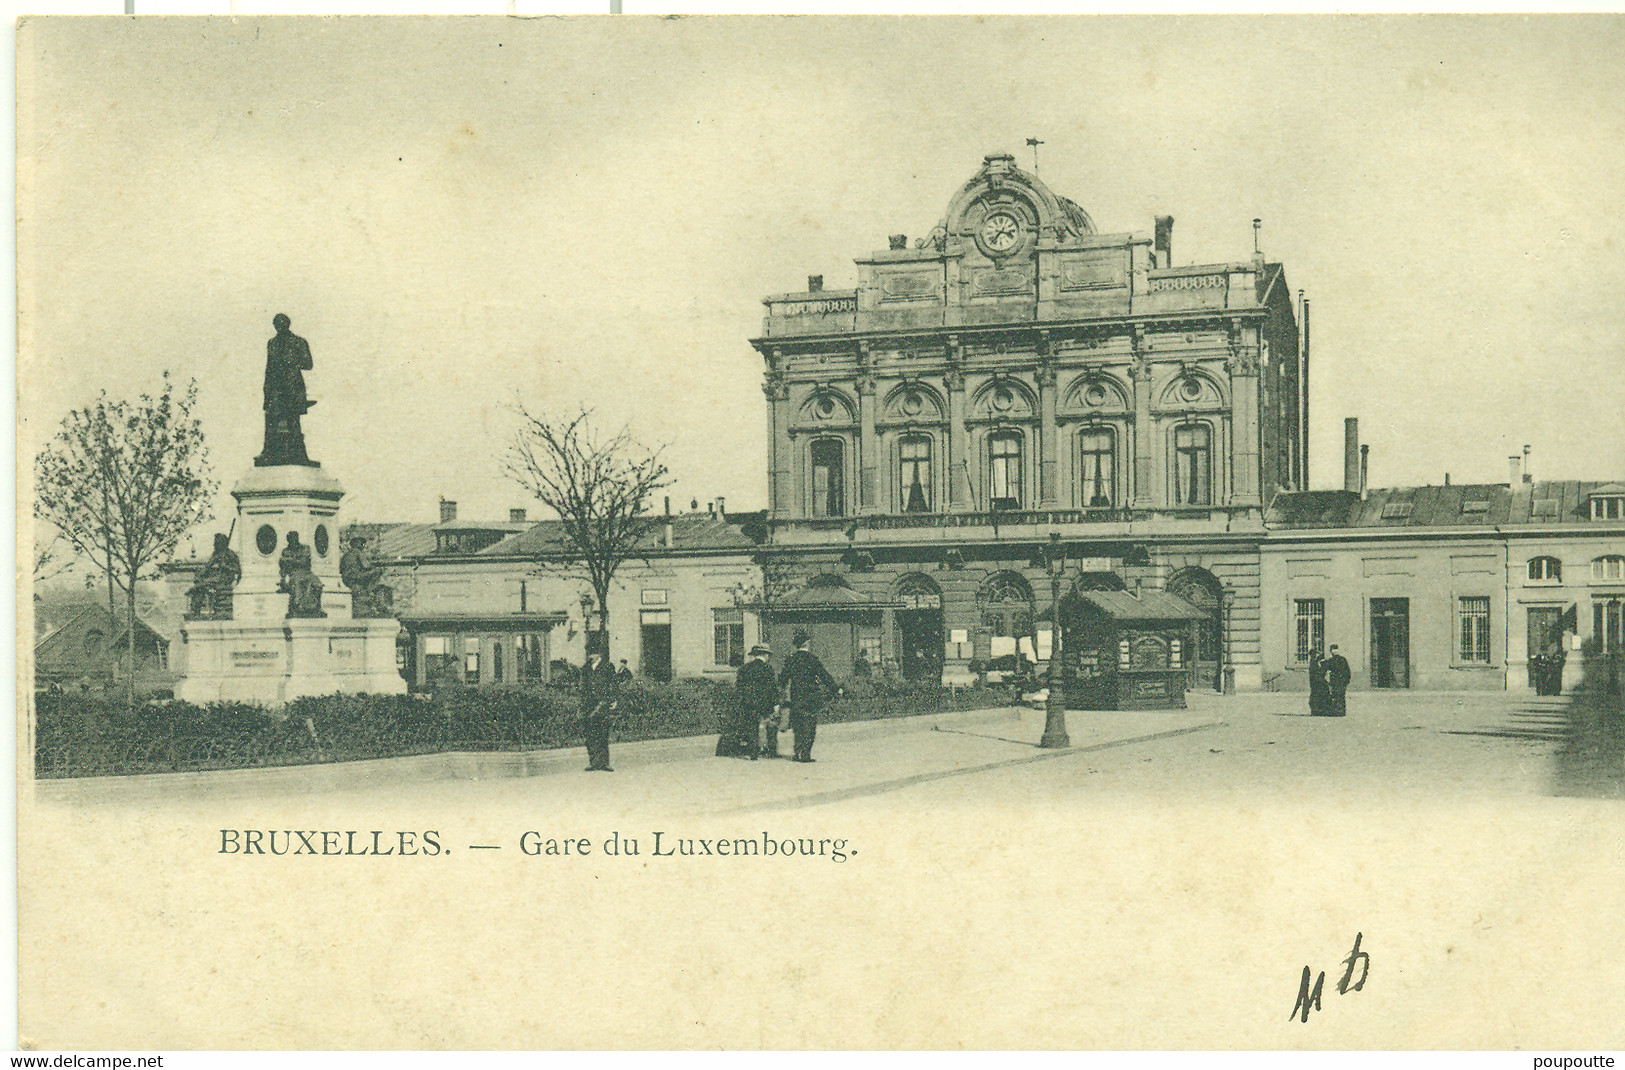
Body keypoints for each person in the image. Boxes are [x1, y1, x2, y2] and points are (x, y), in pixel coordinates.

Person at [257, 313, 317, 467]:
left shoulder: (298, 342)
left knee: (293, 421)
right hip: (276, 387)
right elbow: (269, 368)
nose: (279, 327)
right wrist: (266, 390)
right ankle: (269, 452)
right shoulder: (272, 343)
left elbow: (308, 364)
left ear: (288, 324)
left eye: (282, 324)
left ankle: (299, 454)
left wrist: (292, 362)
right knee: (271, 419)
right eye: (276, 324)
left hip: (292, 386)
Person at [778, 628, 841, 763]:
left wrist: (781, 691)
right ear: (807, 643)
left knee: (798, 725)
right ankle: (805, 754)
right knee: (810, 725)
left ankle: (797, 752)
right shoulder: (813, 659)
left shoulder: (791, 660)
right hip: (811, 697)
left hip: (797, 696)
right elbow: (825, 676)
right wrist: (836, 689)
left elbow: (782, 679)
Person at [722, 644, 776, 760]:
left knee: (751, 726)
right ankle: (770, 751)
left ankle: (753, 752)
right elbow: (772, 688)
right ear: (765, 655)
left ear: (754, 655)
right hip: (764, 702)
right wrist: (774, 703)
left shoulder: (744, 669)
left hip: (749, 702)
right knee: (769, 725)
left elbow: (739, 688)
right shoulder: (768, 669)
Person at [581, 641, 619, 772]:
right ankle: (593, 762)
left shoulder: (607, 667)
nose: (590, 656)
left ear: (599, 654)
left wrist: (614, 700)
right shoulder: (586, 668)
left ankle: (604, 763)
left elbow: (613, 684)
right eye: (588, 653)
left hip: (603, 704)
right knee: (590, 735)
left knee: (603, 733)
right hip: (589, 705)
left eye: (592, 653)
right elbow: (583, 687)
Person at [187, 533, 241, 619]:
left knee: (202, 585)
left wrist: (225, 566)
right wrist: (200, 574)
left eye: (216, 543)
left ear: (221, 543)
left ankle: (196, 610)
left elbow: (237, 570)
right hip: (218, 579)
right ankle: (195, 611)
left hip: (226, 579)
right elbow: (208, 566)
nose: (214, 545)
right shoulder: (216, 554)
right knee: (199, 586)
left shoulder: (230, 554)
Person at [339, 535, 391, 618]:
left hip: (348, 582)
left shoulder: (346, 556)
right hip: (357, 584)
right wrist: (377, 569)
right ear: (360, 545)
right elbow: (367, 566)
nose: (364, 546)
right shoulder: (358, 553)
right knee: (380, 587)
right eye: (363, 544)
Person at [277, 531, 324, 618]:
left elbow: (304, 561)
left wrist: (291, 559)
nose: (293, 540)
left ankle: (316, 607)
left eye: (295, 538)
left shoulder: (305, 548)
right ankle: (299, 607)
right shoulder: (286, 551)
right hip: (294, 573)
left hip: (307, 572)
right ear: (288, 540)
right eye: (291, 539)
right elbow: (283, 564)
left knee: (318, 584)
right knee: (297, 584)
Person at [1324, 644, 1351, 717]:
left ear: (1331, 651)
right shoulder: (1343, 659)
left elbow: (1325, 667)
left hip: (1335, 681)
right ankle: (1342, 711)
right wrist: (1346, 681)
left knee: (1335, 696)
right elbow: (1348, 672)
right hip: (1342, 681)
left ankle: (1336, 711)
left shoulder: (1331, 660)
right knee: (1341, 696)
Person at [1307, 644, 1329, 716]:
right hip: (1317, 681)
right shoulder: (1313, 662)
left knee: (1316, 695)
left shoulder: (1313, 661)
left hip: (1315, 681)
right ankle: (1317, 710)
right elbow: (1317, 673)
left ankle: (1317, 710)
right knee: (1317, 695)